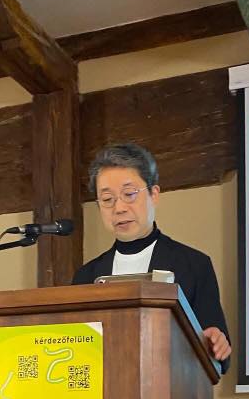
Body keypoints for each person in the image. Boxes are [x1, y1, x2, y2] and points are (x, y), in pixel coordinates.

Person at [71, 143, 232, 367]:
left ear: (153, 194)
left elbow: (220, 356)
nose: (119, 208)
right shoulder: (86, 276)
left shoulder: (193, 264)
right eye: (107, 199)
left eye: (129, 194)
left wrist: (215, 342)